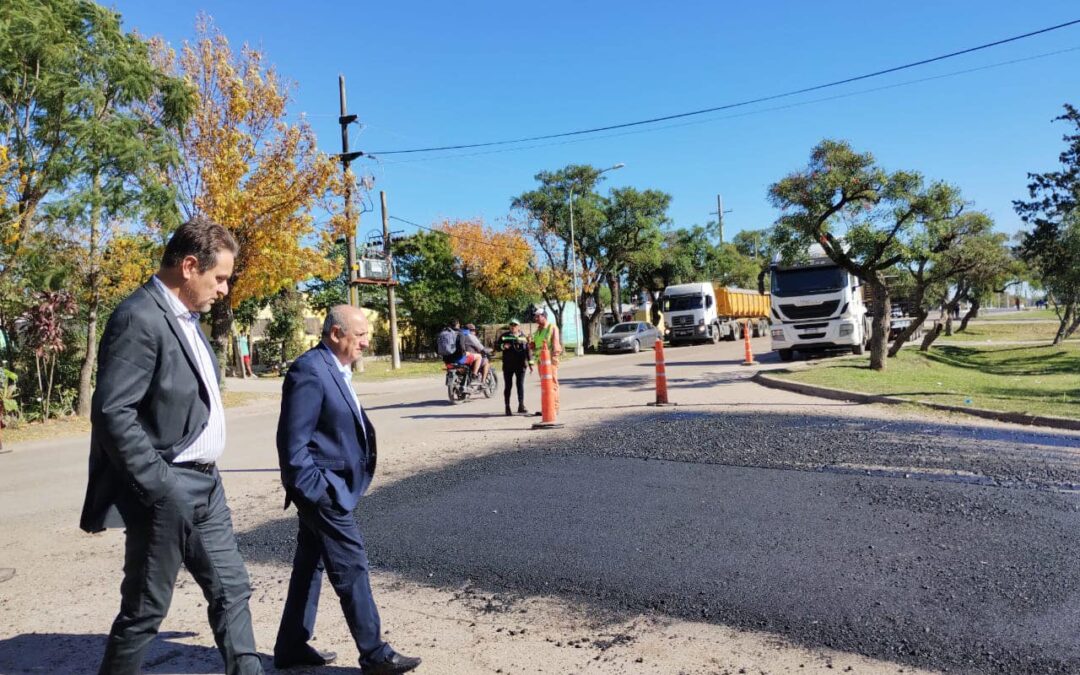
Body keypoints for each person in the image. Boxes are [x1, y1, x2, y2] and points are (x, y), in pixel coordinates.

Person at [80, 217, 263, 675]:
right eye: (219, 278)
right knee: (145, 610)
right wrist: (161, 486)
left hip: (207, 486)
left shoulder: (187, 319)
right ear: (189, 266)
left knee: (232, 590)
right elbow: (112, 412)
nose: (224, 289)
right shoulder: (139, 317)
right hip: (167, 487)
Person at [274, 304, 421, 675]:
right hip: (323, 491)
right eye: (360, 335)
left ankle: (290, 646)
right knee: (351, 564)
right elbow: (292, 444)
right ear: (336, 333)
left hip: (330, 487)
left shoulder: (335, 367)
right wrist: (317, 491)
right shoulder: (309, 370)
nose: (367, 342)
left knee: (309, 565)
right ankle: (374, 654)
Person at [528, 309, 563, 411]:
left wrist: (554, 360)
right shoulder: (537, 331)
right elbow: (535, 347)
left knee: (552, 384)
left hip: (550, 361)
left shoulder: (552, 327)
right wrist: (530, 343)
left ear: (544, 316)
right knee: (545, 385)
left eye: (538, 316)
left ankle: (554, 407)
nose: (536, 318)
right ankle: (547, 407)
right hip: (540, 362)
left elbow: (556, 346)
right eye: (535, 317)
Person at [498, 319, 532, 416]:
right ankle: (507, 407)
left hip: (521, 365)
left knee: (520, 385)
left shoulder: (524, 337)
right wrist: (503, 346)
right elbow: (497, 346)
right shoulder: (504, 336)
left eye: (515, 325)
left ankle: (521, 405)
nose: (513, 327)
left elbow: (528, 350)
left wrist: (530, 363)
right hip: (508, 365)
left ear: (519, 327)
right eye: (511, 325)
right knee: (508, 386)